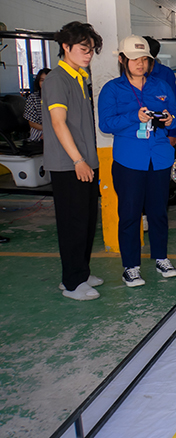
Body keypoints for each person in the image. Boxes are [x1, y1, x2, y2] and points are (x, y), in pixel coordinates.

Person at [98, 35, 176, 287]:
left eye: (144, 59)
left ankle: (161, 258)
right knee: (130, 214)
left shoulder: (161, 86)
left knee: (158, 213)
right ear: (122, 60)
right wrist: (134, 116)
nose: (140, 63)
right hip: (129, 161)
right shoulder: (112, 89)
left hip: (159, 158)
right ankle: (131, 266)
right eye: (134, 59)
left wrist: (170, 120)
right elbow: (106, 124)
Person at [42, 21, 104, 301]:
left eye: (91, 50)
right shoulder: (57, 79)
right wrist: (78, 159)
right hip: (69, 164)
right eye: (83, 49)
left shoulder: (79, 76)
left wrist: (86, 160)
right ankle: (72, 283)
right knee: (73, 224)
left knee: (87, 222)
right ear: (66, 47)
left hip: (85, 162)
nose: (88, 55)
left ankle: (80, 271)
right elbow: (58, 123)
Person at [144, 36, 176, 146]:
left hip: (162, 131)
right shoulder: (134, 75)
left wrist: (173, 134)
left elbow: (173, 106)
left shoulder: (166, 73)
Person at [24, 68, 50, 142]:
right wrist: (49, 131)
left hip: (57, 132)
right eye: (42, 80)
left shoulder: (59, 97)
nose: (45, 83)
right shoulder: (33, 98)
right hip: (39, 134)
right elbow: (32, 123)